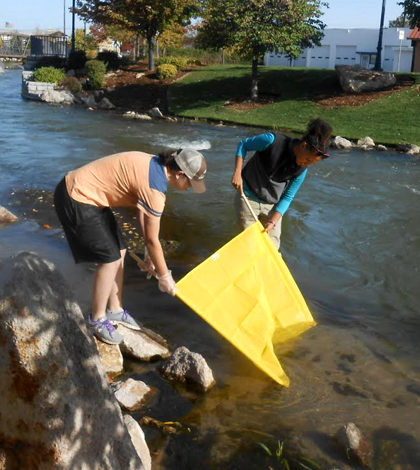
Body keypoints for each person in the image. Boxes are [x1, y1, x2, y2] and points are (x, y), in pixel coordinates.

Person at [54, 148, 207, 345]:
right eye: (190, 183)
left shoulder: (156, 166)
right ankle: (97, 319)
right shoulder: (156, 188)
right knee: (109, 259)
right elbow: (153, 240)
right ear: (179, 174)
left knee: (120, 251)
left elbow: (143, 213)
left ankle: (115, 310)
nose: (189, 188)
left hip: (90, 196)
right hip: (76, 196)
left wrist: (149, 254)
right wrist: (165, 276)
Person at [231, 118, 332, 249]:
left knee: (272, 248)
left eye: (311, 163)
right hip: (247, 196)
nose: (306, 164)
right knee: (249, 245)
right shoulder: (272, 141)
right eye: (307, 159)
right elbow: (243, 145)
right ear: (304, 145)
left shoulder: (302, 171)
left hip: (272, 206)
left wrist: (274, 220)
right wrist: (238, 173)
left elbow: (288, 197)